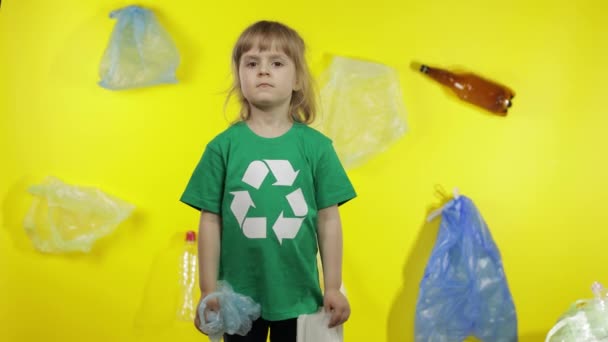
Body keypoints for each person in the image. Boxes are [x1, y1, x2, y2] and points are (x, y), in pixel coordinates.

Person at [180, 20, 356, 342]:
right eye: (252, 63)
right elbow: (210, 221)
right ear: (240, 77)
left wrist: (332, 286)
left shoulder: (317, 148)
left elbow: (329, 221)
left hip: (301, 297)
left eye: (276, 63)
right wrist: (208, 291)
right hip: (238, 299)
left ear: (298, 79)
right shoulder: (222, 148)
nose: (263, 71)